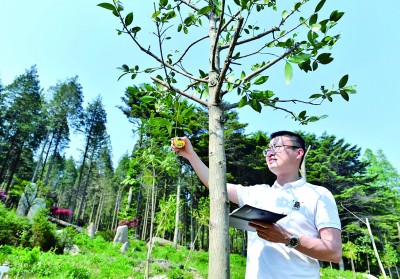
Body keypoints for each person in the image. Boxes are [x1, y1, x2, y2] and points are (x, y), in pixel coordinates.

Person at [171, 131, 342, 278]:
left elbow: (334, 252)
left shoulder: (318, 195)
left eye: (278, 147)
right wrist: (190, 154)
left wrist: (287, 239)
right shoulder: (258, 193)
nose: (270, 153)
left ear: (298, 153)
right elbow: (214, 184)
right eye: (268, 149)